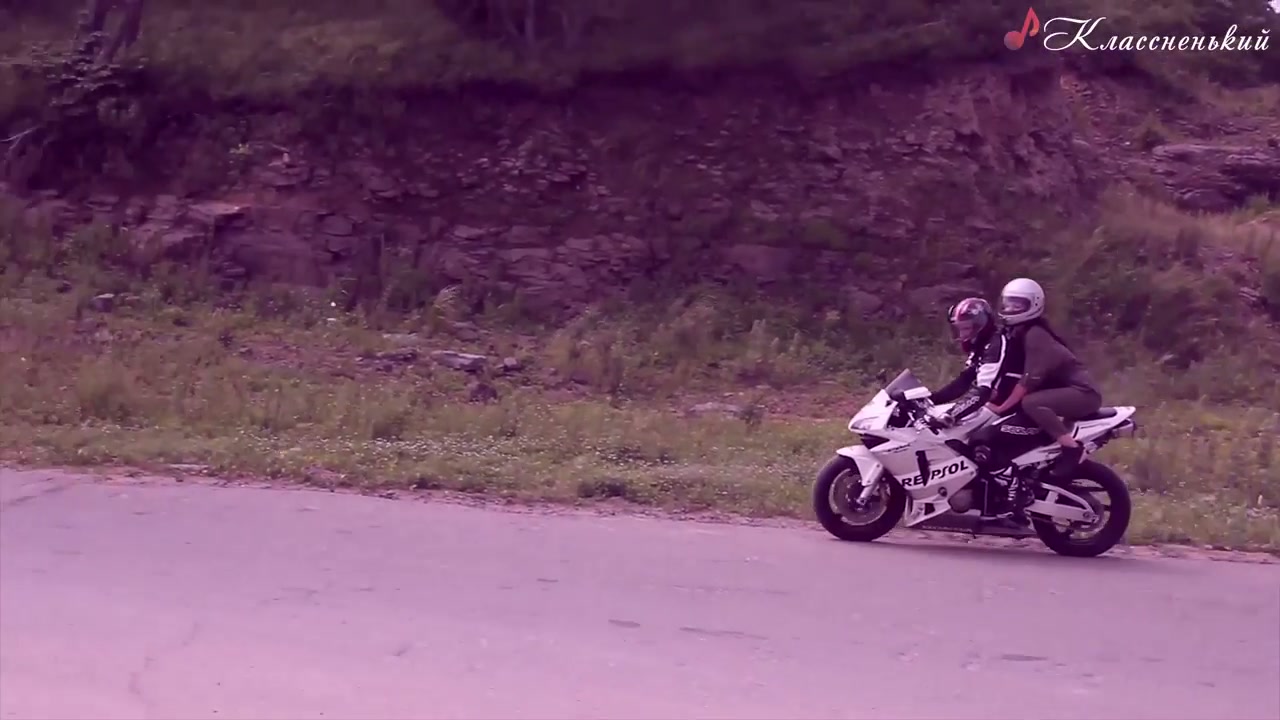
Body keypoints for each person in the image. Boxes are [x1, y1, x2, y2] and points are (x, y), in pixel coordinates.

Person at [985, 278, 1103, 494]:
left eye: (1018, 304)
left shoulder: (1035, 335)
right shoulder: (1020, 332)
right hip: (1070, 392)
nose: (1011, 308)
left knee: (1032, 403)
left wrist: (1001, 408)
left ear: (1034, 305)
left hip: (1084, 394)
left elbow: (1028, 382)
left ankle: (1071, 448)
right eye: (1009, 302)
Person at [926, 297, 1020, 429]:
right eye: (959, 329)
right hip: (993, 404)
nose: (962, 335)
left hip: (1007, 408)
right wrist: (930, 400)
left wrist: (952, 414)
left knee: (973, 438)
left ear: (980, 327)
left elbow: (983, 390)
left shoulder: (995, 344)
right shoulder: (981, 344)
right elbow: (964, 381)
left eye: (966, 328)